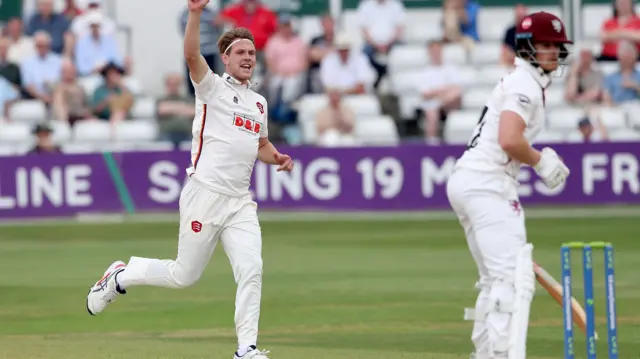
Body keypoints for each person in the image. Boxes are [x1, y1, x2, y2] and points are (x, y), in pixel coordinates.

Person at [85, 2, 294, 359]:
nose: (247, 57)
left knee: (252, 268)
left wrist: (276, 156)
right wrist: (196, 14)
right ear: (225, 59)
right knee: (185, 276)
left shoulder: (258, 103)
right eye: (239, 52)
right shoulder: (210, 88)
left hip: (240, 202)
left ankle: (247, 348)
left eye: (251, 53)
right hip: (204, 195)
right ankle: (122, 275)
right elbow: (191, 53)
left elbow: (258, 143)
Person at [445, 12, 572, 359]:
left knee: (493, 280)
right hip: (488, 184)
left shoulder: (522, 82)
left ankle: (486, 353)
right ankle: (501, 354)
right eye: (546, 45)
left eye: (557, 46)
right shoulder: (524, 84)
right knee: (509, 281)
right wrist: (542, 161)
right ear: (528, 48)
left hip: (472, 180)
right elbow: (509, 139)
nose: (554, 53)